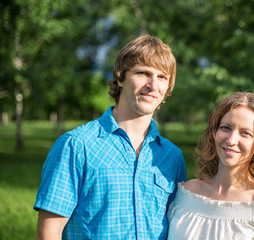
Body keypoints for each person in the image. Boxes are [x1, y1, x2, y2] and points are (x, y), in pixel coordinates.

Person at [34, 35, 187, 240]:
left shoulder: (172, 156)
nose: (153, 85)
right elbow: (49, 232)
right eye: (143, 73)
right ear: (120, 77)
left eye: (162, 77)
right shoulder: (76, 145)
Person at [167, 92, 254, 240]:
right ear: (214, 132)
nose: (231, 140)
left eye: (245, 133)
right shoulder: (186, 195)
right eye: (226, 128)